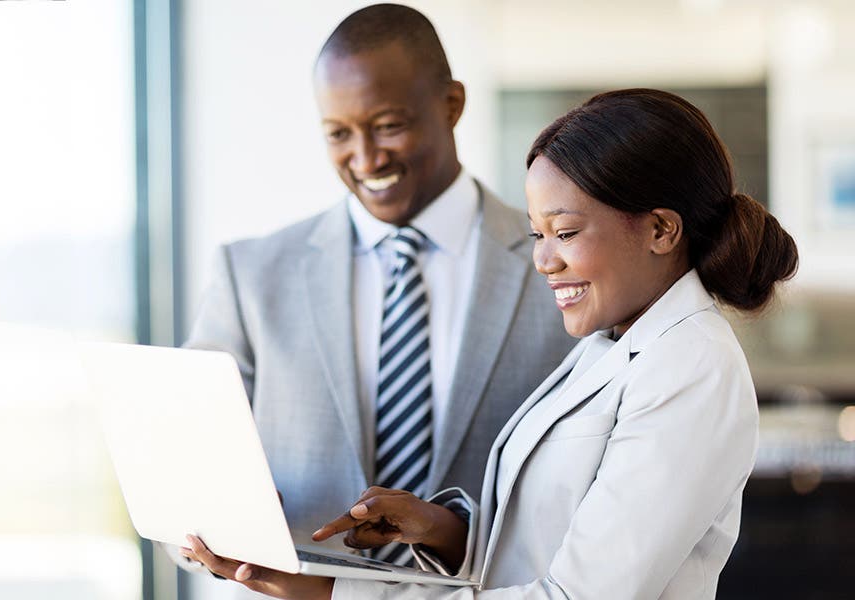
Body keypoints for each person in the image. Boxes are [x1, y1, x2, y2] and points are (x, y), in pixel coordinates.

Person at [182, 88, 799, 599]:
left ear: (662, 229)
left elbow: (574, 595)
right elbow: (546, 537)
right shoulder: (611, 345)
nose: (543, 261)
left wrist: (333, 593)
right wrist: (446, 530)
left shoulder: (692, 364)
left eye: (564, 231)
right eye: (536, 234)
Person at [170, 4, 572, 591]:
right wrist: (215, 522)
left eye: (388, 125)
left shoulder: (557, 265)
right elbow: (183, 467)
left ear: (451, 105)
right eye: (338, 133)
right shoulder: (252, 275)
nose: (365, 158)